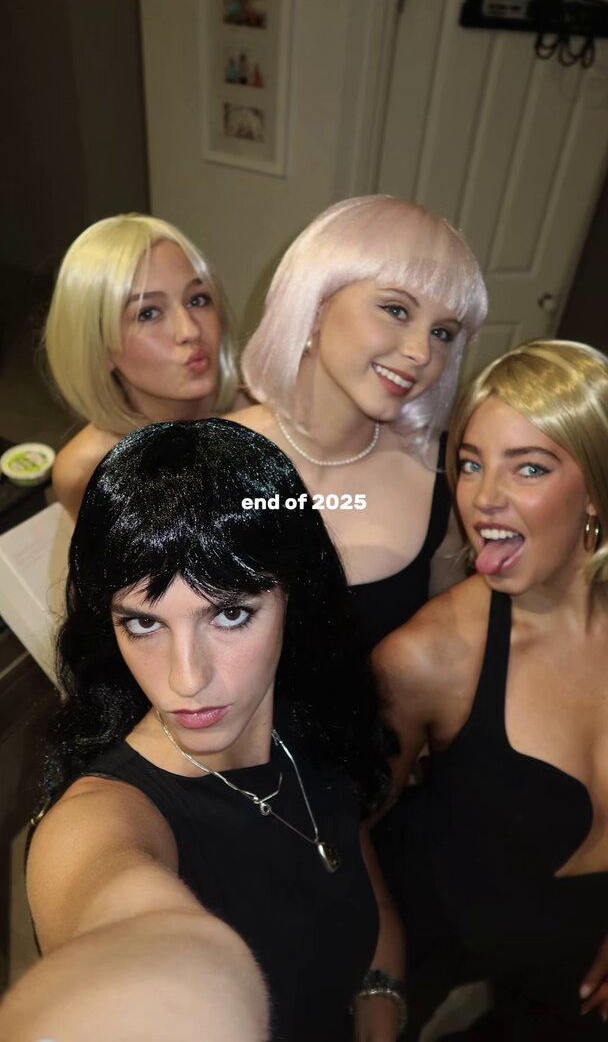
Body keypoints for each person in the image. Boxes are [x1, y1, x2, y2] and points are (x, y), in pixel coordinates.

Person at [15, 418, 404, 1041]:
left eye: (229, 614)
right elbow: (114, 909)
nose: (187, 679)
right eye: (144, 624)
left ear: (295, 595)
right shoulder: (97, 823)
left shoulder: (308, 717)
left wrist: (379, 999)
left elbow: (355, 872)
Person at [374, 340, 608, 1039]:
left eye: (528, 467)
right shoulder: (428, 657)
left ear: (597, 487)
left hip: (573, 979)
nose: (483, 499)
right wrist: (377, 981)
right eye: (472, 464)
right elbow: (340, 834)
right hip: (435, 971)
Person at [227, 195, 488, 651]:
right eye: (397, 310)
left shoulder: (447, 477)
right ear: (315, 307)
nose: (422, 352)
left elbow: (447, 649)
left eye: (442, 333)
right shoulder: (202, 460)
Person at [44, 213, 242, 521]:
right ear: (100, 348)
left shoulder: (266, 421)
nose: (190, 330)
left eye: (198, 300)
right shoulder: (86, 472)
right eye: (148, 313)